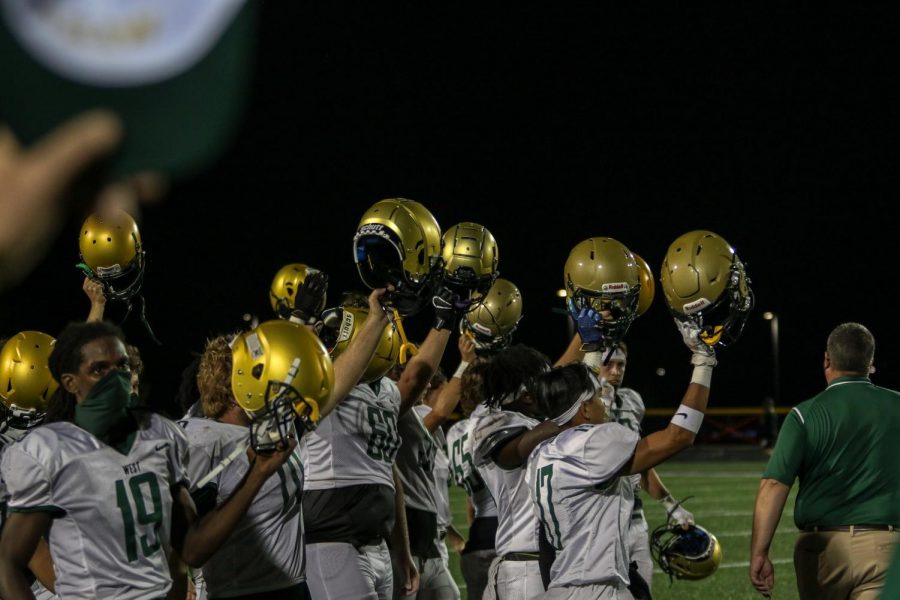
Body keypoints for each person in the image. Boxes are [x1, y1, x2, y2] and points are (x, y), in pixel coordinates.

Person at [0, 320, 295, 599]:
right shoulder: (49, 452)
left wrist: (257, 473)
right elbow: (12, 560)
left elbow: (190, 549)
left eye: (122, 368)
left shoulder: (159, 438)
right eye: (99, 370)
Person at [526, 319, 719, 599]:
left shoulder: (543, 451)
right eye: (595, 399)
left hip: (562, 584)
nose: (602, 401)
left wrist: (591, 344)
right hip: (595, 588)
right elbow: (679, 437)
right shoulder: (591, 443)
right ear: (583, 409)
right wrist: (704, 362)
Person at [301, 292, 455, 600]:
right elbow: (305, 360)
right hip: (334, 539)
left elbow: (389, 473)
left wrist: (402, 550)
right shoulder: (323, 381)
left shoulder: (384, 391)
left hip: (379, 543)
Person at [750, 322, 900, 600]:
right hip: (886, 548)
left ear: (827, 359)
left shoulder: (805, 414)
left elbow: (773, 484)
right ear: (870, 363)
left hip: (822, 550)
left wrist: (760, 552)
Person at [599, 341, 695, 595]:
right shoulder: (579, 405)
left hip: (634, 519)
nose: (616, 371)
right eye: (608, 364)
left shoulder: (632, 401)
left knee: (642, 592)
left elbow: (640, 463)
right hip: (598, 524)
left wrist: (672, 507)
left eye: (621, 365)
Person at [445, 357, 498, 600]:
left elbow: (470, 501)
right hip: (505, 538)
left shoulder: (454, 432)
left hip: (476, 539)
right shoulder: (498, 425)